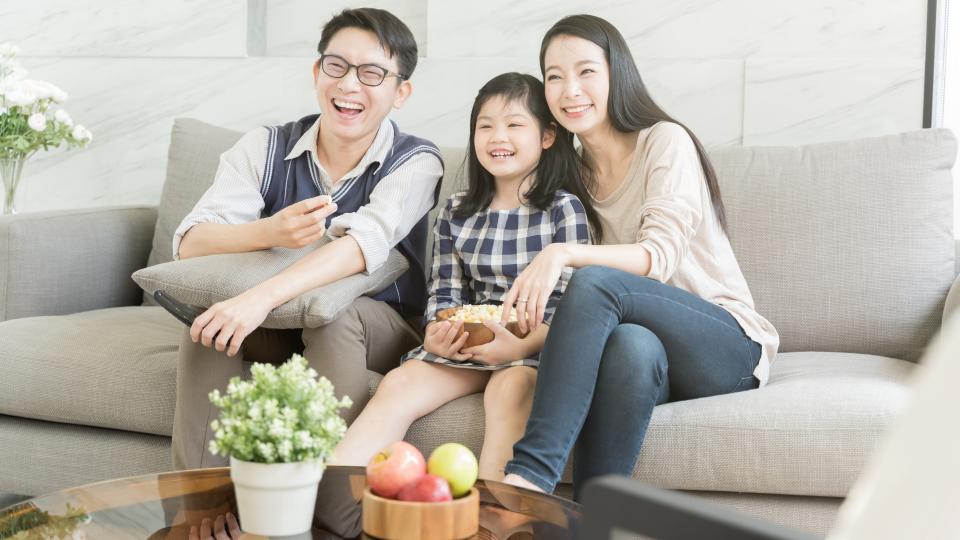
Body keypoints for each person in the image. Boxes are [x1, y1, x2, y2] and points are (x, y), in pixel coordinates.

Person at [498, 14, 780, 499]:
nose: (570, 90)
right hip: (655, 351)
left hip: (726, 346)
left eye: (586, 71)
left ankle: (529, 477)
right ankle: (592, 520)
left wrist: (562, 253)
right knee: (630, 346)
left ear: (616, 74)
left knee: (596, 280)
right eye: (555, 76)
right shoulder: (572, 173)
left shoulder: (664, 141)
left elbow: (659, 256)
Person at [170, 7, 444, 470]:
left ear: (401, 92)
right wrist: (267, 232)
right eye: (336, 66)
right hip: (282, 324)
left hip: (374, 327)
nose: (349, 85)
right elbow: (189, 243)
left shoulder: (417, 162)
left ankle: (328, 509)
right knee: (209, 324)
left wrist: (258, 298)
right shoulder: (264, 146)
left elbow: (364, 245)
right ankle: (200, 503)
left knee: (335, 317)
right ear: (317, 71)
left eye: (372, 73)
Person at [329, 72, 596, 480]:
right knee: (400, 383)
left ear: (547, 136)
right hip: (467, 343)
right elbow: (445, 293)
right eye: (485, 126)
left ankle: (494, 521)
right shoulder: (456, 211)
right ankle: (329, 506)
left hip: (534, 345)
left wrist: (516, 345)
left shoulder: (563, 209)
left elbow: (575, 307)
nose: (497, 136)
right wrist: (437, 329)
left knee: (511, 390)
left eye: (513, 125)